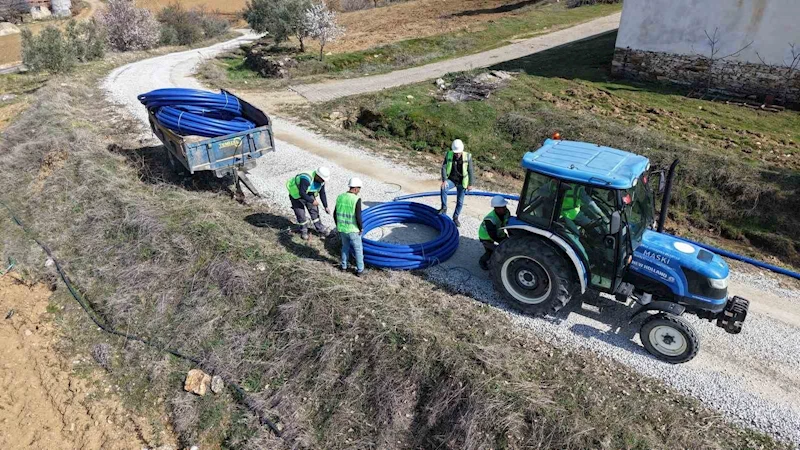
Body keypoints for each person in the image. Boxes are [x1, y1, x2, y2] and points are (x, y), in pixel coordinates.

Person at [286, 167, 331, 240]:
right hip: (296, 195)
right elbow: (302, 193)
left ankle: (320, 229)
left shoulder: (321, 181)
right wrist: (312, 201)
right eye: (322, 179)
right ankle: (304, 231)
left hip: (309, 194)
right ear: (317, 176)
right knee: (301, 215)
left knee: (314, 212)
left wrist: (326, 206)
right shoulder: (306, 179)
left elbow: (322, 193)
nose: (323, 181)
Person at [439, 139, 474, 228]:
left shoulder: (467, 156)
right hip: (452, 180)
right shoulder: (449, 154)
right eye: (456, 153)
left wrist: (471, 184)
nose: (457, 154)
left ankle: (455, 217)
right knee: (443, 188)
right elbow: (444, 167)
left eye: (458, 153)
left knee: (460, 202)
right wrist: (444, 180)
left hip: (462, 182)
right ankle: (444, 208)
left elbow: (470, 171)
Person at [334, 178, 365, 276]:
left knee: (345, 247)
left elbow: (335, 213)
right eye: (359, 189)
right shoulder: (356, 199)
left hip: (342, 228)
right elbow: (358, 216)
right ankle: (360, 270)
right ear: (355, 189)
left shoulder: (340, 197)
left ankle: (344, 267)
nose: (359, 191)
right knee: (358, 250)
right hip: (353, 230)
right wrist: (361, 228)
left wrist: (338, 225)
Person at [478, 195, 511, 270]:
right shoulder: (490, 219)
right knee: (491, 252)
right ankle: (482, 261)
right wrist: (501, 243)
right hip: (485, 237)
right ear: (497, 209)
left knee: (508, 244)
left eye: (505, 206)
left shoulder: (506, 212)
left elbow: (508, 225)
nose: (505, 208)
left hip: (498, 233)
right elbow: (493, 235)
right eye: (503, 207)